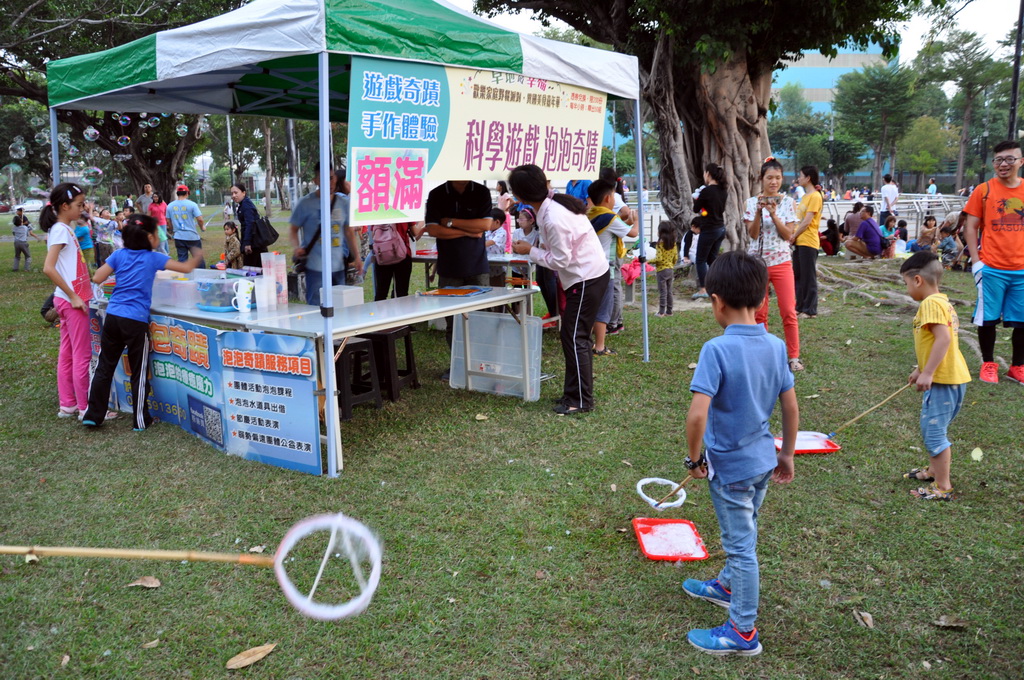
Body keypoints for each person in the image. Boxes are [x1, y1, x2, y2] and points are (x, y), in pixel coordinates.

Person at [681, 250, 797, 657]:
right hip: (765, 461)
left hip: (729, 470)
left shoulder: (716, 349)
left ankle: (742, 631)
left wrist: (694, 460)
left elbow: (697, 416)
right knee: (745, 529)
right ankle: (726, 586)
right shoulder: (776, 344)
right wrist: (788, 453)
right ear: (763, 299)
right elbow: (790, 405)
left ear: (717, 302)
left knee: (741, 547)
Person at [81, 215, 202, 429]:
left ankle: (93, 414)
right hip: (135, 321)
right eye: (157, 234)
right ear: (149, 237)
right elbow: (186, 268)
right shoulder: (153, 258)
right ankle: (140, 419)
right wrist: (196, 253)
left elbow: (98, 277)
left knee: (104, 367)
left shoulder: (118, 255)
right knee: (138, 370)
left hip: (113, 318)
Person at [510, 164, 608, 415]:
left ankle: (580, 400)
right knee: (573, 336)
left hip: (586, 277)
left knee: (575, 338)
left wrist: (529, 251)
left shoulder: (553, 215)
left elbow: (561, 260)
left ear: (519, 197)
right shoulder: (552, 206)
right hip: (586, 275)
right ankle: (572, 394)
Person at [898, 252, 970, 500]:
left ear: (917, 280)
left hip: (944, 380)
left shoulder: (930, 304)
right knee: (933, 427)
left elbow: (944, 338)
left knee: (934, 432)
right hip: (949, 378)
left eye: (906, 283)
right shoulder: (941, 302)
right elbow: (936, 342)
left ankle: (942, 486)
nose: (907, 289)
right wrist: (921, 368)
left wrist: (928, 372)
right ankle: (932, 470)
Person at [963, 140, 1024, 385]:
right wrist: (976, 262)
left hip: (1021, 270)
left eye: (1010, 159)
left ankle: (1017, 367)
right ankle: (988, 364)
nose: (1003, 164)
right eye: (998, 160)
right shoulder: (984, 190)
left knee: (1022, 321)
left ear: (1021, 161)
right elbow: (971, 226)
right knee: (986, 318)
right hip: (991, 268)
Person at [423, 178, 493, 375]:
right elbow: (433, 229)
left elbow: (486, 225)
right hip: (449, 267)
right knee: (452, 321)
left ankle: (481, 364)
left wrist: (451, 223)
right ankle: (458, 364)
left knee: (481, 318)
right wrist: (469, 231)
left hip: (477, 267)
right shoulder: (437, 193)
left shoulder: (481, 191)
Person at [41, 183, 96, 419]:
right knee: (81, 355)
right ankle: (85, 408)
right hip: (72, 302)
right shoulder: (61, 230)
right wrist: (74, 296)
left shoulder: (62, 228)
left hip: (66, 300)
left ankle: (68, 405)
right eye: (79, 204)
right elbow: (48, 268)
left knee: (67, 353)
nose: (82, 209)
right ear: (65, 206)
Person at [744, 157, 803, 372]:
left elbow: (788, 234)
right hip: (757, 264)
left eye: (778, 178)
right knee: (760, 312)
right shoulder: (750, 203)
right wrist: (760, 212)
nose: (774, 182)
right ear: (761, 179)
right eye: (769, 177)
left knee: (788, 310)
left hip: (781, 262)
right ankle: (764, 355)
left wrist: (774, 214)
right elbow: (752, 233)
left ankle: (794, 356)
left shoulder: (788, 202)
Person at [588, 179, 638, 356]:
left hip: (587, 269)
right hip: (604, 269)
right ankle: (600, 346)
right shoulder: (609, 217)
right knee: (603, 307)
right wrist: (636, 221)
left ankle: (587, 341)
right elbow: (633, 233)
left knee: (590, 307)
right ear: (608, 198)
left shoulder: (589, 215)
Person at [289, 165, 351, 306]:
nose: (329, 182)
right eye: (324, 179)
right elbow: (293, 229)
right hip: (320, 263)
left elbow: (348, 231)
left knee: (333, 302)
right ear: (316, 180)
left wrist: (355, 256)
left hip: (334, 262)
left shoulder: (342, 202)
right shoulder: (307, 203)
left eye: (331, 178)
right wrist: (296, 247)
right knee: (323, 303)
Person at [691, 163, 728, 299]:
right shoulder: (723, 190)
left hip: (709, 229)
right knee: (712, 259)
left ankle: (703, 289)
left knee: (700, 260)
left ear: (708, 174)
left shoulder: (706, 191)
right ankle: (717, 287)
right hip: (720, 229)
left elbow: (696, 209)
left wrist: (697, 198)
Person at [791, 166, 823, 318]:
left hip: (808, 241)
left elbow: (807, 221)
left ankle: (810, 309)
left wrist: (794, 235)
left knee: (808, 276)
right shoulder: (804, 197)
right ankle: (800, 306)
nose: (799, 178)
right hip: (798, 241)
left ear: (808, 178)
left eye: (801, 175)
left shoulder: (815, 196)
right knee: (798, 275)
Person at [516, 205, 559, 319]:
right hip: (540, 257)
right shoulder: (541, 219)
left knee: (550, 284)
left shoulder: (550, 216)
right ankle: (552, 312)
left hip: (549, 257)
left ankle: (556, 314)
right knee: (541, 281)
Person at [365, 221, 424, 300]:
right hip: (402, 255)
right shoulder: (405, 211)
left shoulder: (378, 213)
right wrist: (422, 223)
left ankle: (379, 312)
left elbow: (373, 234)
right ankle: (400, 311)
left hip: (383, 255)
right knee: (401, 293)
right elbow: (415, 232)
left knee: (381, 293)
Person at [166, 184, 206, 266]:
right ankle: (202, 277)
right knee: (198, 259)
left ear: (177, 193)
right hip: (192, 236)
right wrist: (202, 227)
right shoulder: (192, 204)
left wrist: (172, 231)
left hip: (179, 237)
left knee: (182, 260)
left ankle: (184, 277)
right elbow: (200, 219)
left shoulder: (170, 206)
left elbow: (168, 221)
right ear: (187, 193)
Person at [230, 183, 266, 268]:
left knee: (250, 269)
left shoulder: (246, 205)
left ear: (243, 193)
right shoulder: (243, 203)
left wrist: (247, 243)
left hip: (254, 242)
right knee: (259, 268)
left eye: (236, 193)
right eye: (232, 193)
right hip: (256, 241)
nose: (233, 195)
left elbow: (250, 224)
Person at [653, 221, 678, 317]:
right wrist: (671, 265)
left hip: (661, 271)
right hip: (670, 270)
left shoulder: (660, 243)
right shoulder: (673, 243)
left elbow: (659, 259)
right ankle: (669, 311)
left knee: (663, 292)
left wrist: (648, 260)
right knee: (669, 291)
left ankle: (661, 312)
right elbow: (675, 257)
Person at [484, 207, 509, 287]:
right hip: (488, 265)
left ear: (497, 222)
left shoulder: (502, 232)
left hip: (498, 268)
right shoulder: (487, 231)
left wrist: (477, 246)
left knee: (499, 288)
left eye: (489, 221)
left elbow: (491, 242)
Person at [12, 206, 40, 271]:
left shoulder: (14, 228)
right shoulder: (25, 228)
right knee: (28, 256)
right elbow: (28, 233)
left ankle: (15, 268)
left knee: (17, 256)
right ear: (20, 221)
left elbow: (14, 233)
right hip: (23, 242)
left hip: (16, 243)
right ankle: (26, 269)